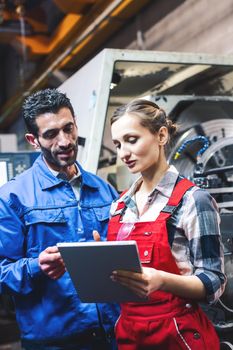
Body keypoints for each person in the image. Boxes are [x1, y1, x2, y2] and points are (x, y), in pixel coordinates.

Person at [0, 88, 120, 350]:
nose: (65, 141)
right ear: (33, 140)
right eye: (51, 134)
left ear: (76, 124)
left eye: (69, 128)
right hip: (54, 342)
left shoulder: (104, 190)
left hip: (111, 334)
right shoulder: (12, 197)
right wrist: (36, 266)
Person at [106, 99, 226, 349]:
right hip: (130, 335)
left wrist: (163, 280)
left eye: (131, 139)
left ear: (161, 135)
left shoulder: (193, 200)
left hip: (177, 334)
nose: (123, 153)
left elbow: (213, 281)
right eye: (118, 144)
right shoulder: (119, 206)